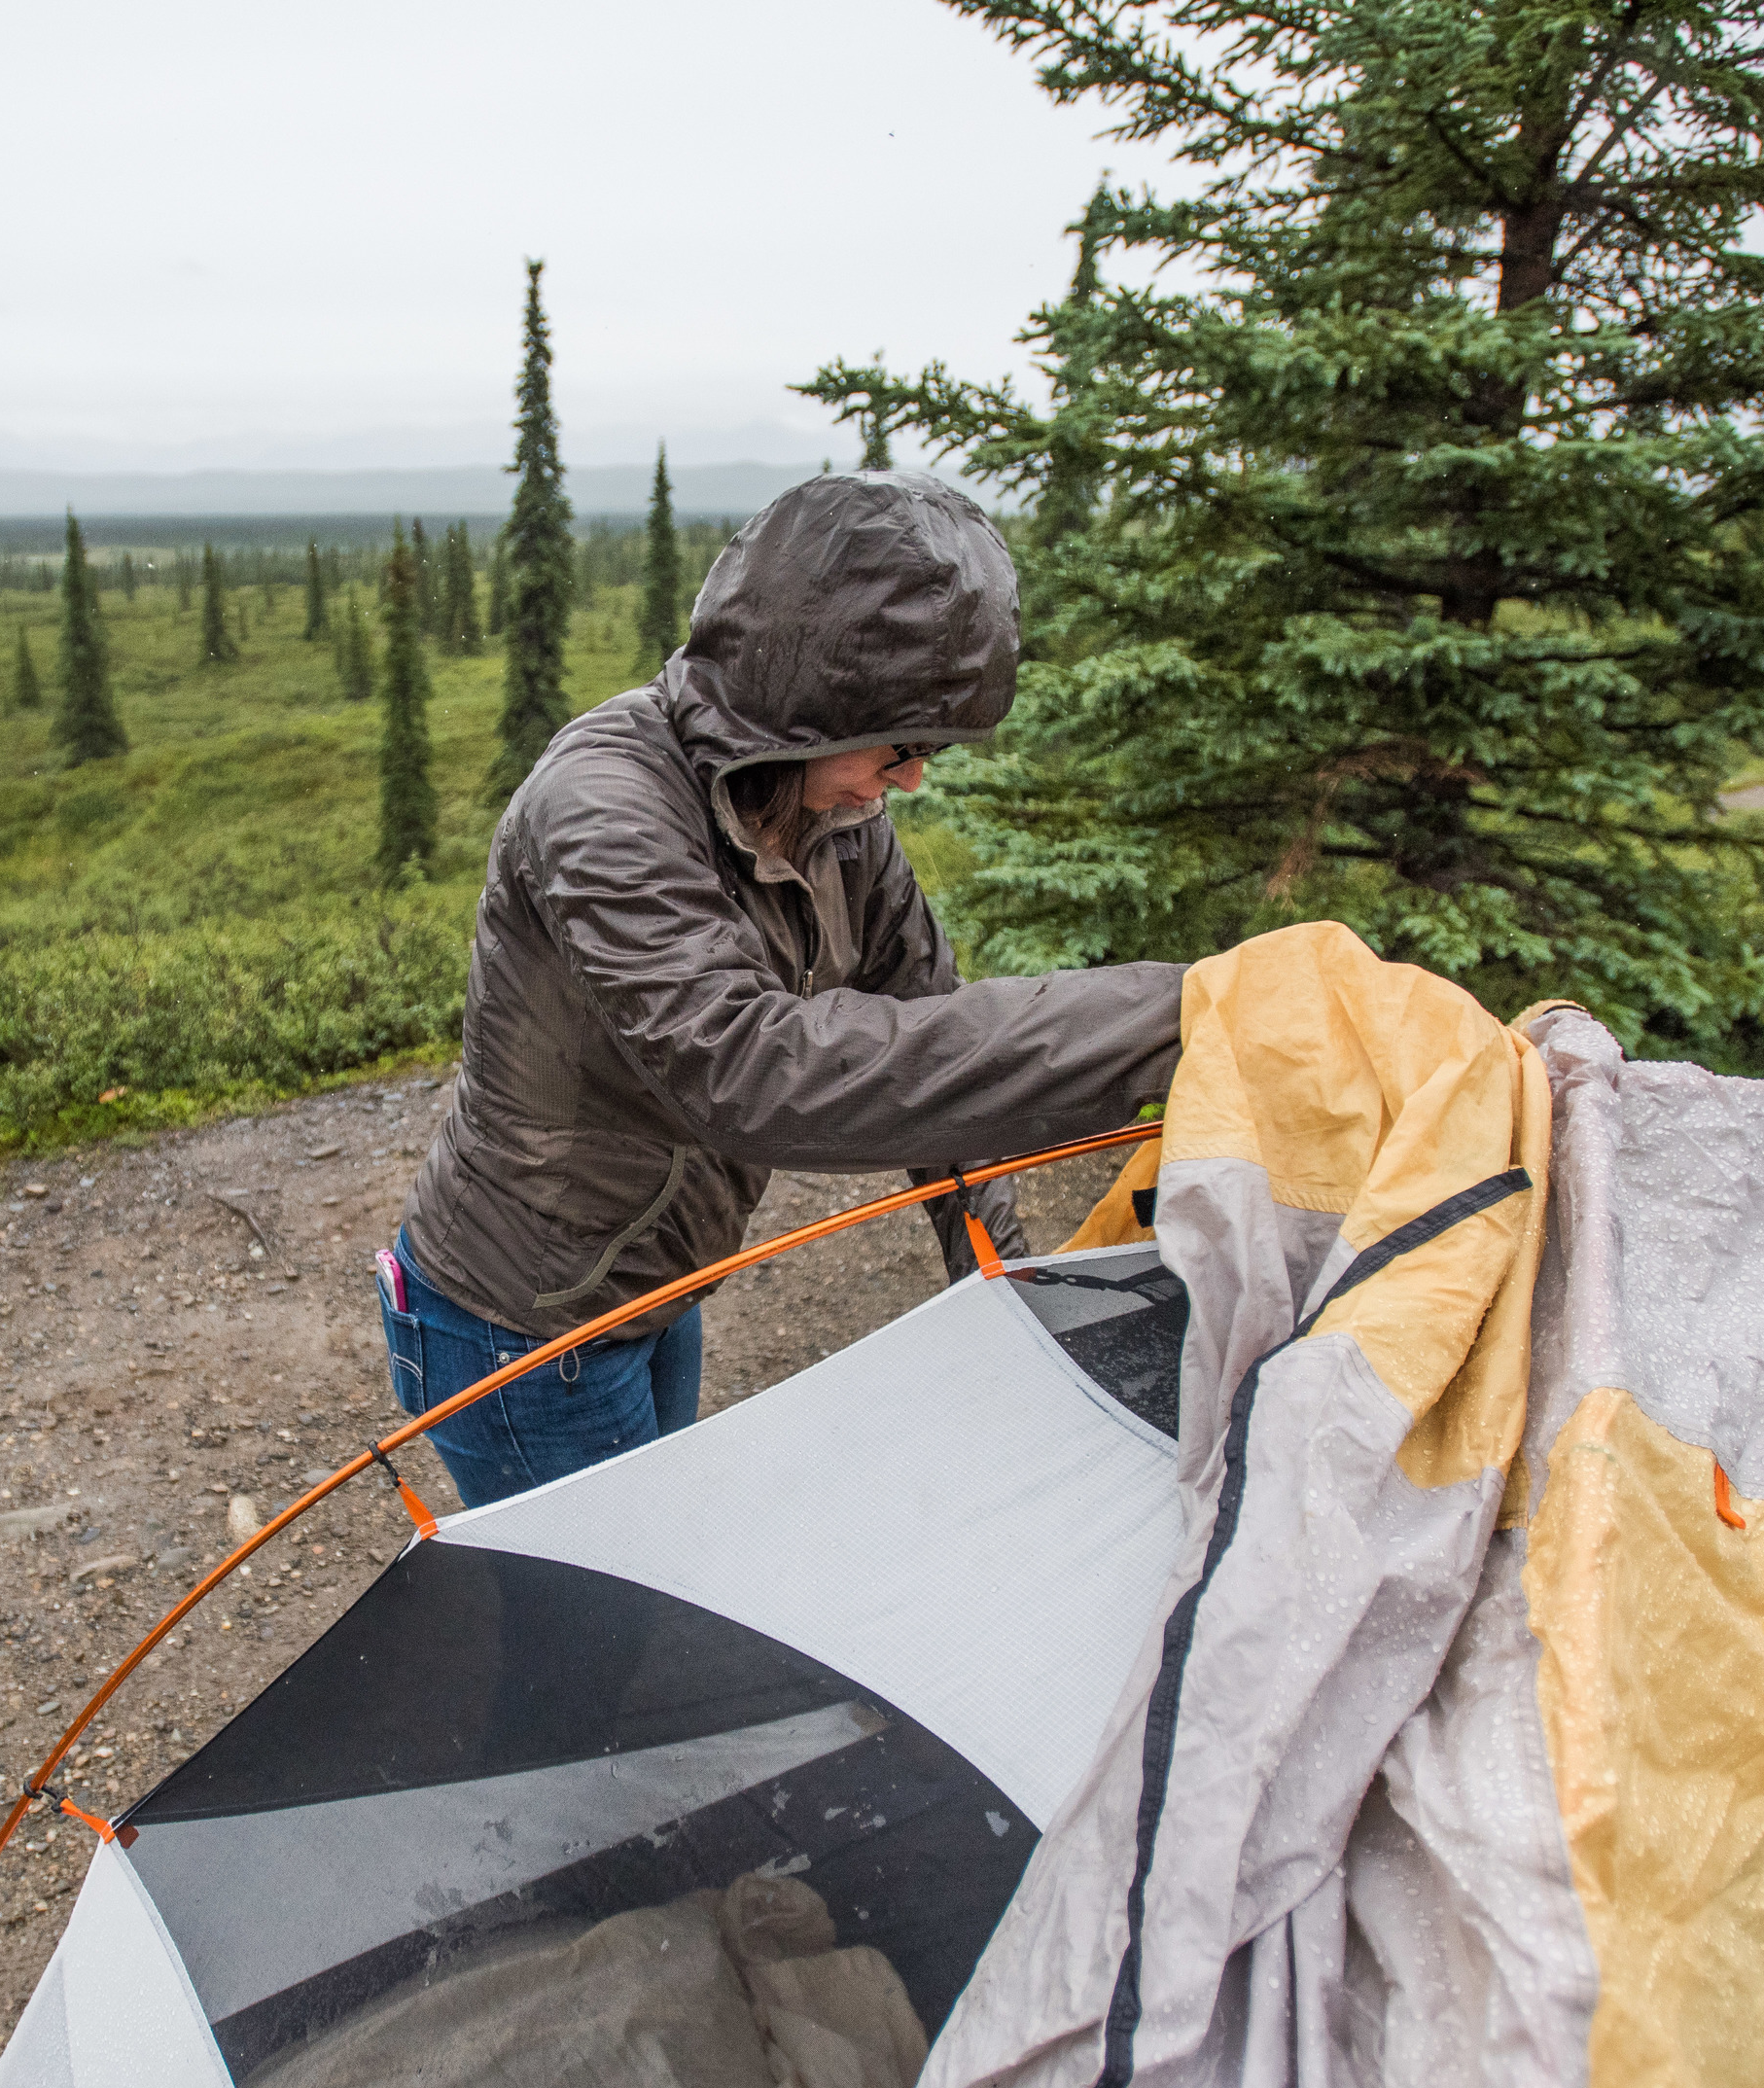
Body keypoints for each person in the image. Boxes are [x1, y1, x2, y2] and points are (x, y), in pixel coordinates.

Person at [383, 472, 1188, 1507]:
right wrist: (1167, 1020)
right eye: (902, 746)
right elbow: (750, 1074)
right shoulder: (603, 807)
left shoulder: (830, 811)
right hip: (519, 1321)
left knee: (648, 1585)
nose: (911, 781)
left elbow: (926, 1023)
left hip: (652, 1290)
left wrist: (1005, 1289)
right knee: (612, 1639)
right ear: (816, 703)